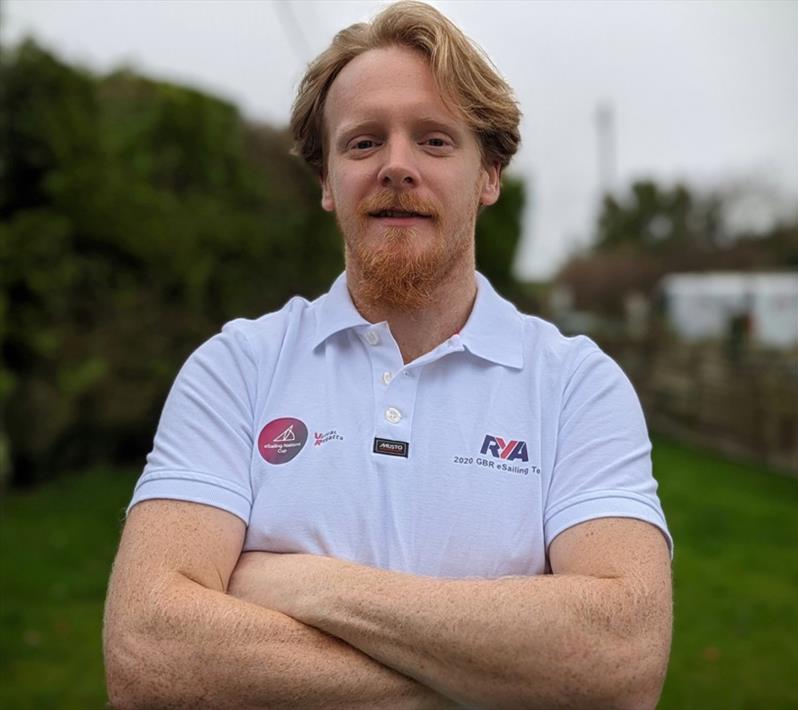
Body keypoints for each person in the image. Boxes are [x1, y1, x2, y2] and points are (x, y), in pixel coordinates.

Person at [103, 2, 673, 708]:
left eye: (434, 141)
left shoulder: (577, 386)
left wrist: (308, 586)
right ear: (325, 181)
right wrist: (493, 676)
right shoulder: (236, 368)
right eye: (363, 142)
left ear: (489, 176)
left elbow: (620, 659)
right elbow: (148, 655)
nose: (396, 165)